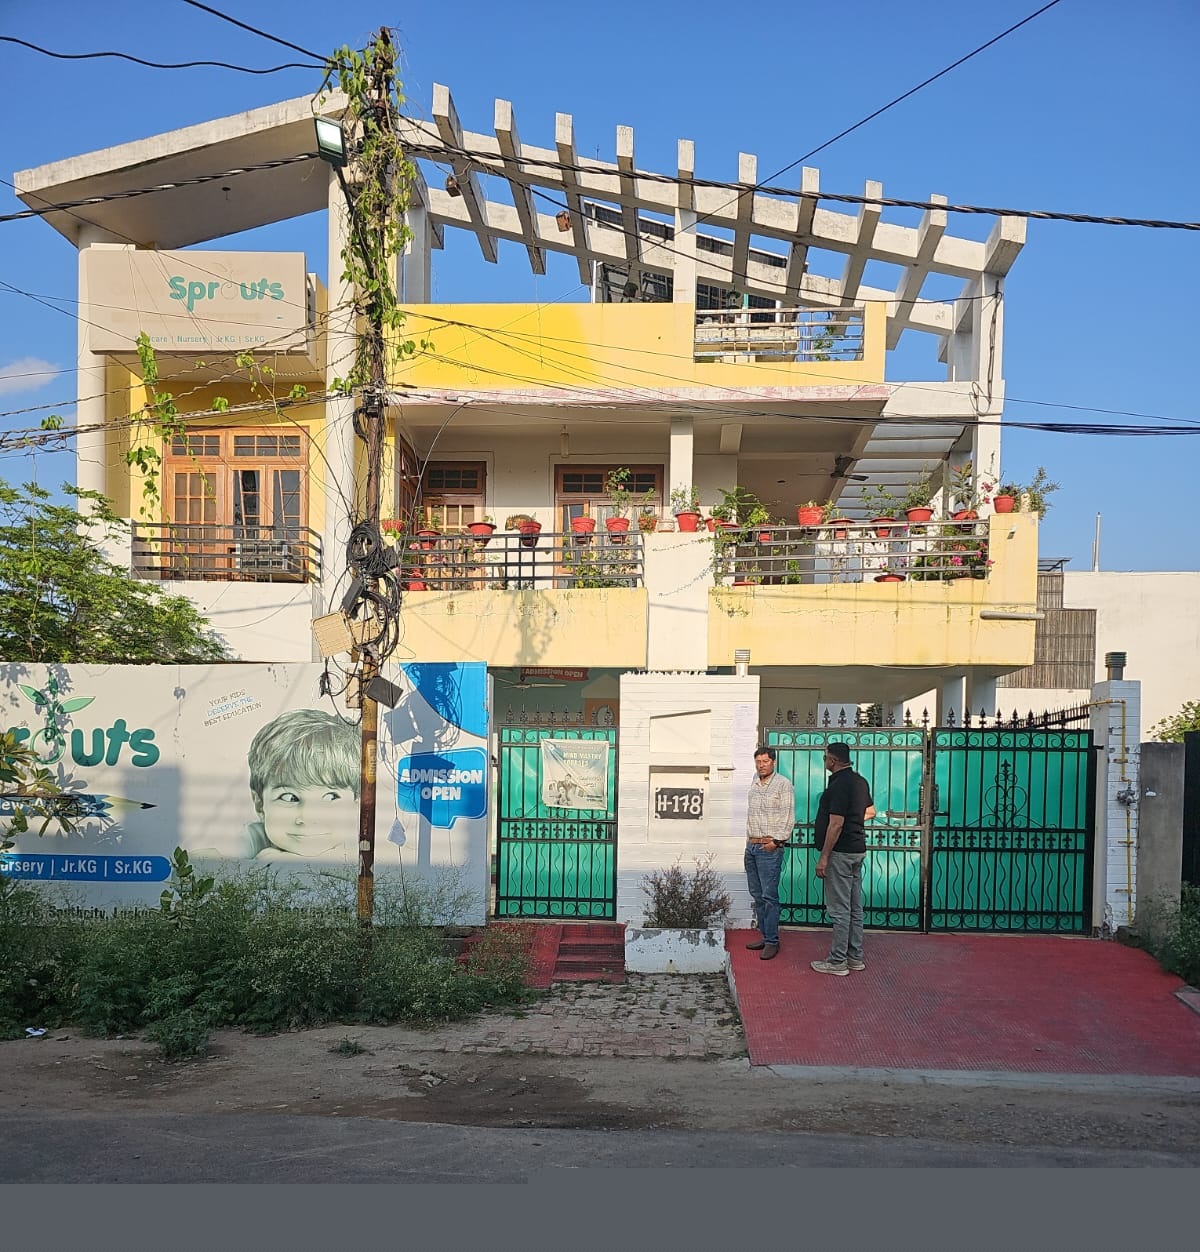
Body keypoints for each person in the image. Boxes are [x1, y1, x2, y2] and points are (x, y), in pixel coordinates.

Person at [242, 708, 361, 861]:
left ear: (355, 806)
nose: (308, 817)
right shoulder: (252, 839)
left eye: (331, 797)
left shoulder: (361, 846)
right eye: (289, 797)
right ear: (259, 803)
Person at [810, 741, 872, 976]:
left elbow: (836, 823)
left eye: (825, 757)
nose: (825, 761)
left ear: (833, 760)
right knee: (855, 908)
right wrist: (853, 822)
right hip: (857, 849)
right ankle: (855, 957)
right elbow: (870, 811)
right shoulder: (860, 781)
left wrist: (824, 857)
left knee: (840, 910)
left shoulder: (839, 784)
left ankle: (837, 961)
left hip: (841, 853)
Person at [743, 745, 795, 961]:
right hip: (752, 846)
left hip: (768, 848)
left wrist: (776, 842)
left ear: (773, 762)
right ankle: (765, 936)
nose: (761, 765)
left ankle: (772, 941)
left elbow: (788, 816)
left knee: (769, 896)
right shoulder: (754, 782)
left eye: (765, 761)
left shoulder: (783, 784)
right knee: (757, 895)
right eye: (758, 762)